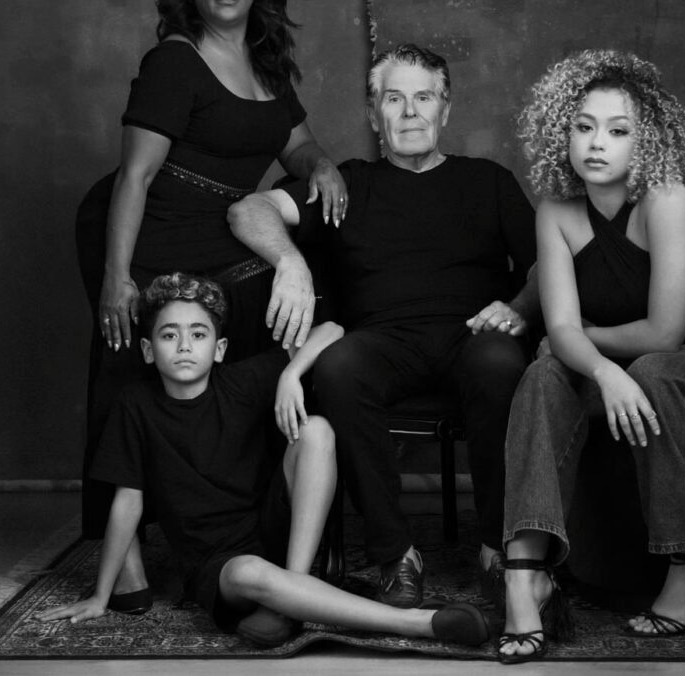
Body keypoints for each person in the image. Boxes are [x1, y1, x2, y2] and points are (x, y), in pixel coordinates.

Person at [74, 0, 349, 584]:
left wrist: (322, 166)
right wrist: (117, 277)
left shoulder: (268, 65)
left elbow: (297, 144)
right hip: (148, 226)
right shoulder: (175, 61)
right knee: (131, 362)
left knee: (282, 316)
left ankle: (256, 511)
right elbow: (135, 176)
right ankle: (124, 559)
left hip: (218, 231)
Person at [227, 44, 538, 610]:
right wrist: (290, 261)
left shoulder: (488, 181)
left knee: (500, 362)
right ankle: (396, 556)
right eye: (394, 99)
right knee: (340, 368)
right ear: (375, 116)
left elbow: (546, 265)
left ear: (446, 109)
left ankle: (498, 550)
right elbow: (248, 210)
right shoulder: (348, 184)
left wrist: (519, 306)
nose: (411, 112)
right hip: (381, 340)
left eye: (424, 98)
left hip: (473, 332)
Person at [40, 274, 491, 650]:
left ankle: (291, 590)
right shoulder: (135, 405)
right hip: (219, 563)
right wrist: (101, 594)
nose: (184, 346)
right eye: (169, 335)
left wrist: (292, 373)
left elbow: (332, 330)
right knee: (249, 571)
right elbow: (128, 502)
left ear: (219, 348)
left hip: (272, 530)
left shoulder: (240, 381)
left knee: (317, 429)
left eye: (198, 335)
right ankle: (422, 623)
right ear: (147, 349)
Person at [496, 50, 685, 663]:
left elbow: (665, 334)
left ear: (645, 142)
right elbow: (558, 331)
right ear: (561, 131)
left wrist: (586, 346)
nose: (597, 143)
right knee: (542, 374)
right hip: (623, 362)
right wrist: (598, 369)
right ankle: (525, 573)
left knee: (652, 371)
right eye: (583, 126)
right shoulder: (556, 211)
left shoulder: (666, 199)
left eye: (618, 131)